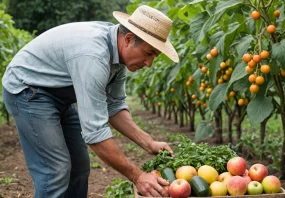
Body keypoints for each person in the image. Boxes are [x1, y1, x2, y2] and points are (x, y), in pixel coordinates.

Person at [2, 5, 179, 198]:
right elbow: (95, 133)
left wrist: (149, 142)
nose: (149, 63)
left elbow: (114, 105)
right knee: (55, 170)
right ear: (128, 39)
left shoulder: (119, 59)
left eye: (155, 56)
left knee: (79, 166)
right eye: (148, 53)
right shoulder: (94, 56)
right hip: (28, 90)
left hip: (58, 95)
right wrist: (137, 176)